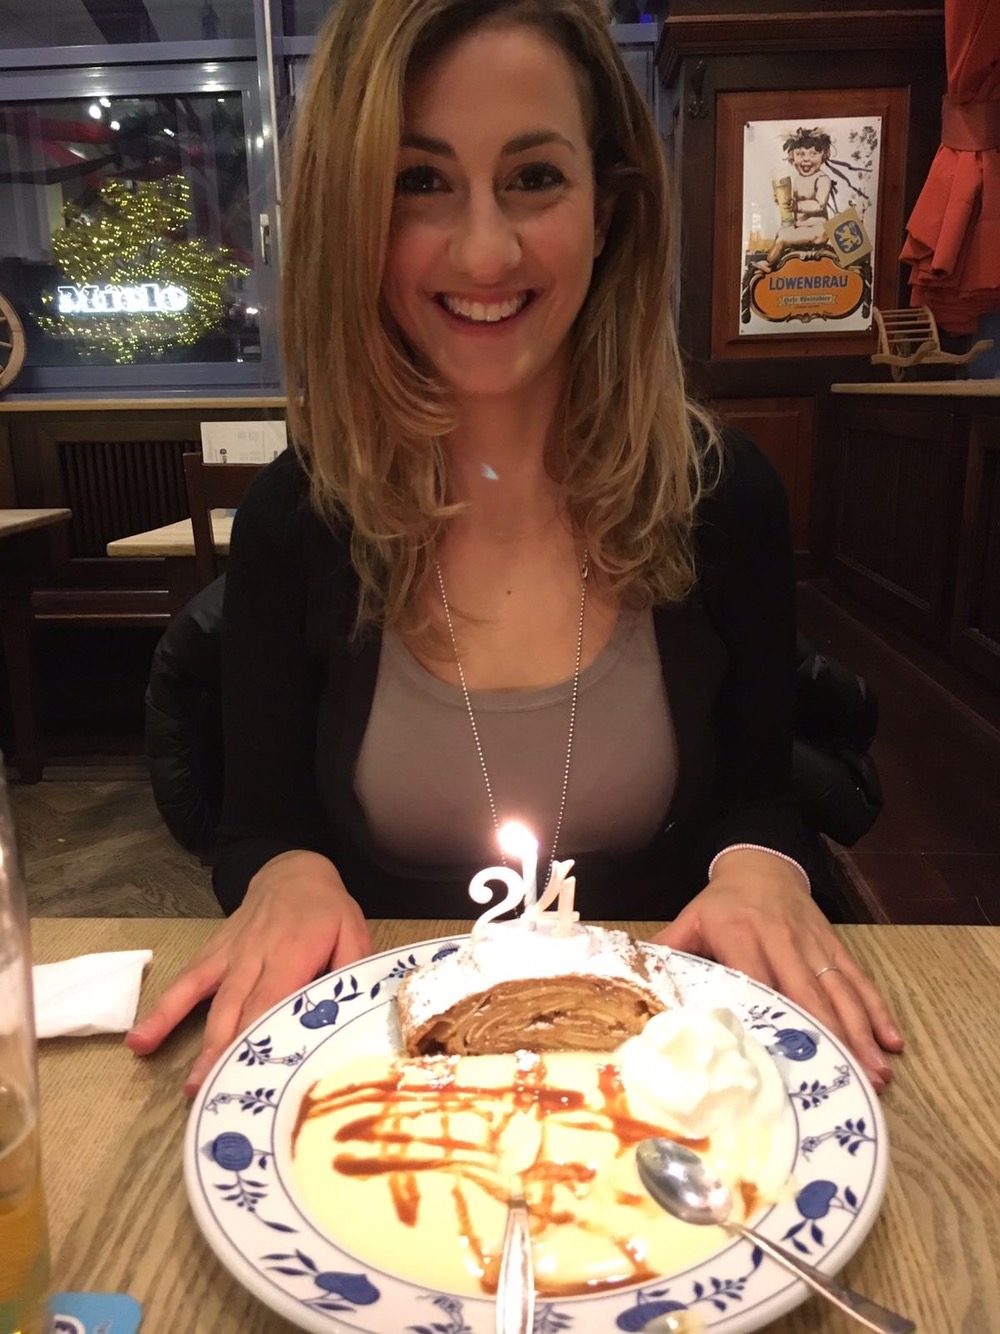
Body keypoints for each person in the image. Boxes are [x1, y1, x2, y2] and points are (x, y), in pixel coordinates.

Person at [126, 0, 903, 1095]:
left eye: (534, 177)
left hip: (662, 1088)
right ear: (352, 216)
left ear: (608, 210)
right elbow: (261, 825)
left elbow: (755, 797)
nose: (485, 250)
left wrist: (760, 864)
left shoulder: (724, 497)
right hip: (386, 1094)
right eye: (419, 181)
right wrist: (286, 871)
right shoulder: (293, 519)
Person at [754, 127, 834, 274]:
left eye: (813, 153)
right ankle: (779, 265)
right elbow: (794, 200)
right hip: (800, 227)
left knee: (782, 239)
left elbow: (819, 204)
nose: (806, 159)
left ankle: (769, 264)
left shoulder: (822, 179)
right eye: (800, 154)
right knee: (781, 232)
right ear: (792, 157)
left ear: (823, 155)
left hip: (817, 230)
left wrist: (797, 205)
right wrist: (783, 200)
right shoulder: (798, 178)